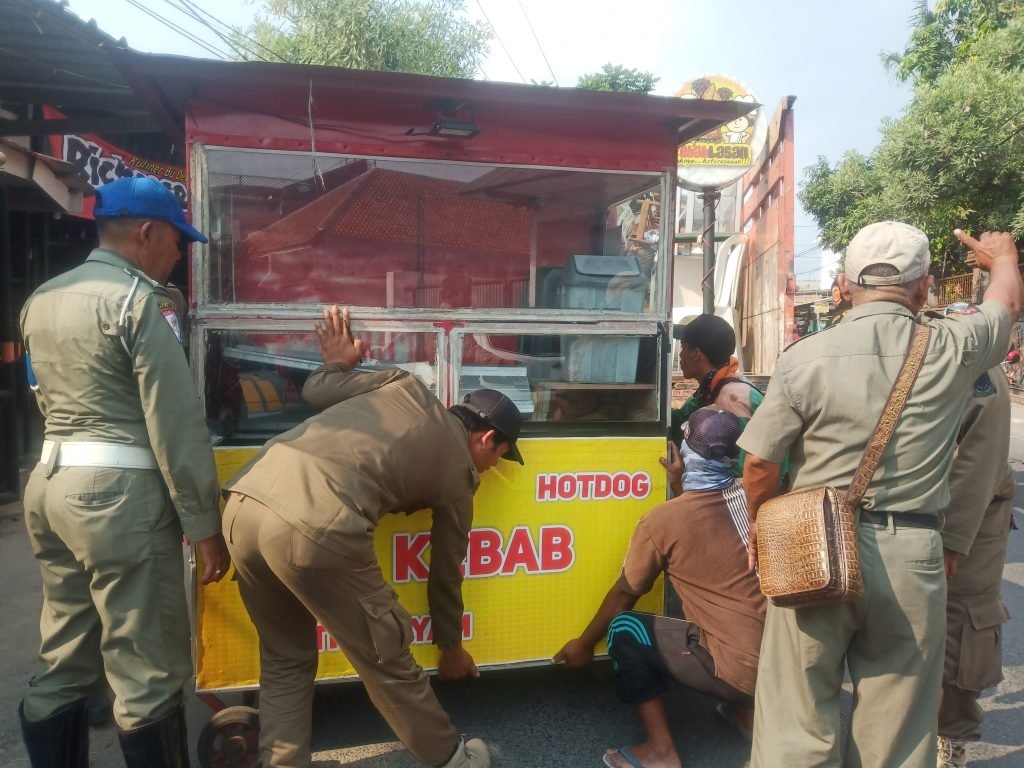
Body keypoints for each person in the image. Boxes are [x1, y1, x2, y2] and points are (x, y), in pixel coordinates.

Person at [739, 222, 1022, 767]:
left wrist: (761, 528)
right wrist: (1002, 257)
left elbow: (758, 463)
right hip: (912, 555)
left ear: (844, 284)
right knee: (895, 730)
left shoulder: (804, 357)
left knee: (796, 716)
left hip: (814, 548)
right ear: (924, 287)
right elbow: (1006, 302)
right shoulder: (956, 346)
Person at [221, 305, 524, 768]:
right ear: (485, 439)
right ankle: (454, 761)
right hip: (315, 523)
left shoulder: (402, 384)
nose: (494, 466)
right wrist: (451, 649)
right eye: (500, 456)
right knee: (388, 658)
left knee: (285, 659)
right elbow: (445, 571)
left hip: (245, 501)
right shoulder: (461, 475)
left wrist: (340, 361)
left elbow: (317, 389)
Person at [18, 176, 231, 767]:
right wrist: (203, 525)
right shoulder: (142, 302)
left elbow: (42, 393)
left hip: (50, 486)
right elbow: (176, 421)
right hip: (119, 503)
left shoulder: (42, 297)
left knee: (65, 656)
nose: (177, 255)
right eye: (175, 241)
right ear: (146, 232)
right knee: (148, 673)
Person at [554, 407, 766, 768]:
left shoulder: (663, 521)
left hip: (737, 670)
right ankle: (745, 716)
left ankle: (660, 751)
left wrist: (583, 645)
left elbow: (626, 592)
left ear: (687, 452)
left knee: (625, 628)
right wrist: (681, 487)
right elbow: (708, 516)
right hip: (781, 664)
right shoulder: (751, 500)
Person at [932, 305, 1015, 768]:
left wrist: (952, 540)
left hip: (970, 520)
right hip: (923, 511)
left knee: (960, 626)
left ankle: (952, 737)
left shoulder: (981, 370)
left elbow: (978, 464)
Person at [664, 314, 765, 494]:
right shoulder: (713, 389)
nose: (680, 355)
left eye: (683, 347)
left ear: (696, 354)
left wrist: (680, 485)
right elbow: (680, 422)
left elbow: (741, 475)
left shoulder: (731, 400)